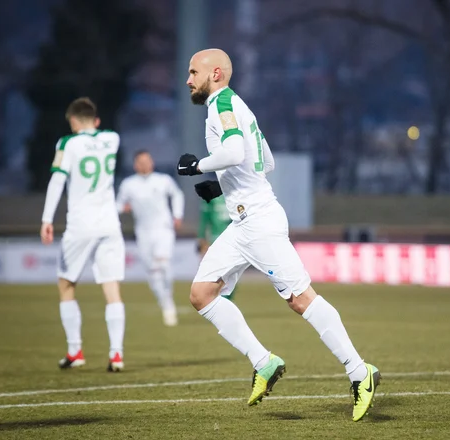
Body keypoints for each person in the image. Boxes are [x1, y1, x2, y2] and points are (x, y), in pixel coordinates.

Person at [177, 48, 380, 422]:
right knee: (201, 294)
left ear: (216, 74)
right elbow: (264, 161)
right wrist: (222, 188)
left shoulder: (220, 103)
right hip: (243, 223)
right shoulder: (240, 106)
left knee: (301, 299)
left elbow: (236, 151)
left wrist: (198, 167)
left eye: (193, 72)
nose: (188, 79)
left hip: (259, 222)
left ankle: (359, 371)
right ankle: (263, 362)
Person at [40, 97, 126, 372]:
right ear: (96, 120)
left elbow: (57, 180)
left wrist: (46, 219)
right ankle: (116, 354)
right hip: (109, 224)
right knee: (112, 289)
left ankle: (75, 350)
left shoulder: (67, 143)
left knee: (66, 285)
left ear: (74, 121)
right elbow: (96, 131)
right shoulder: (112, 139)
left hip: (80, 225)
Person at [116, 150, 185, 326]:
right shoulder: (128, 184)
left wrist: (177, 215)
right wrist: (124, 208)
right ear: (135, 165)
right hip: (143, 232)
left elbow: (177, 195)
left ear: (152, 162)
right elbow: (118, 204)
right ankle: (165, 303)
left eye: (148, 160)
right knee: (152, 272)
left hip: (163, 228)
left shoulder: (163, 180)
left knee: (163, 264)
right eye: (141, 161)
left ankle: (168, 301)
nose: (145, 164)